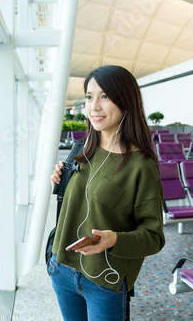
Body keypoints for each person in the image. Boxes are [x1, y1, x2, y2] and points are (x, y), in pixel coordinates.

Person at [49, 65, 165, 321]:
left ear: (126, 101)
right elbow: (75, 202)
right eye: (90, 97)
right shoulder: (82, 148)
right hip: (63, 268)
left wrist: (114, 240)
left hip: (104, 280)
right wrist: (59, 182)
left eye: (105, 96)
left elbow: (154, 237)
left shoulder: (141, 165)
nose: (94, 107)